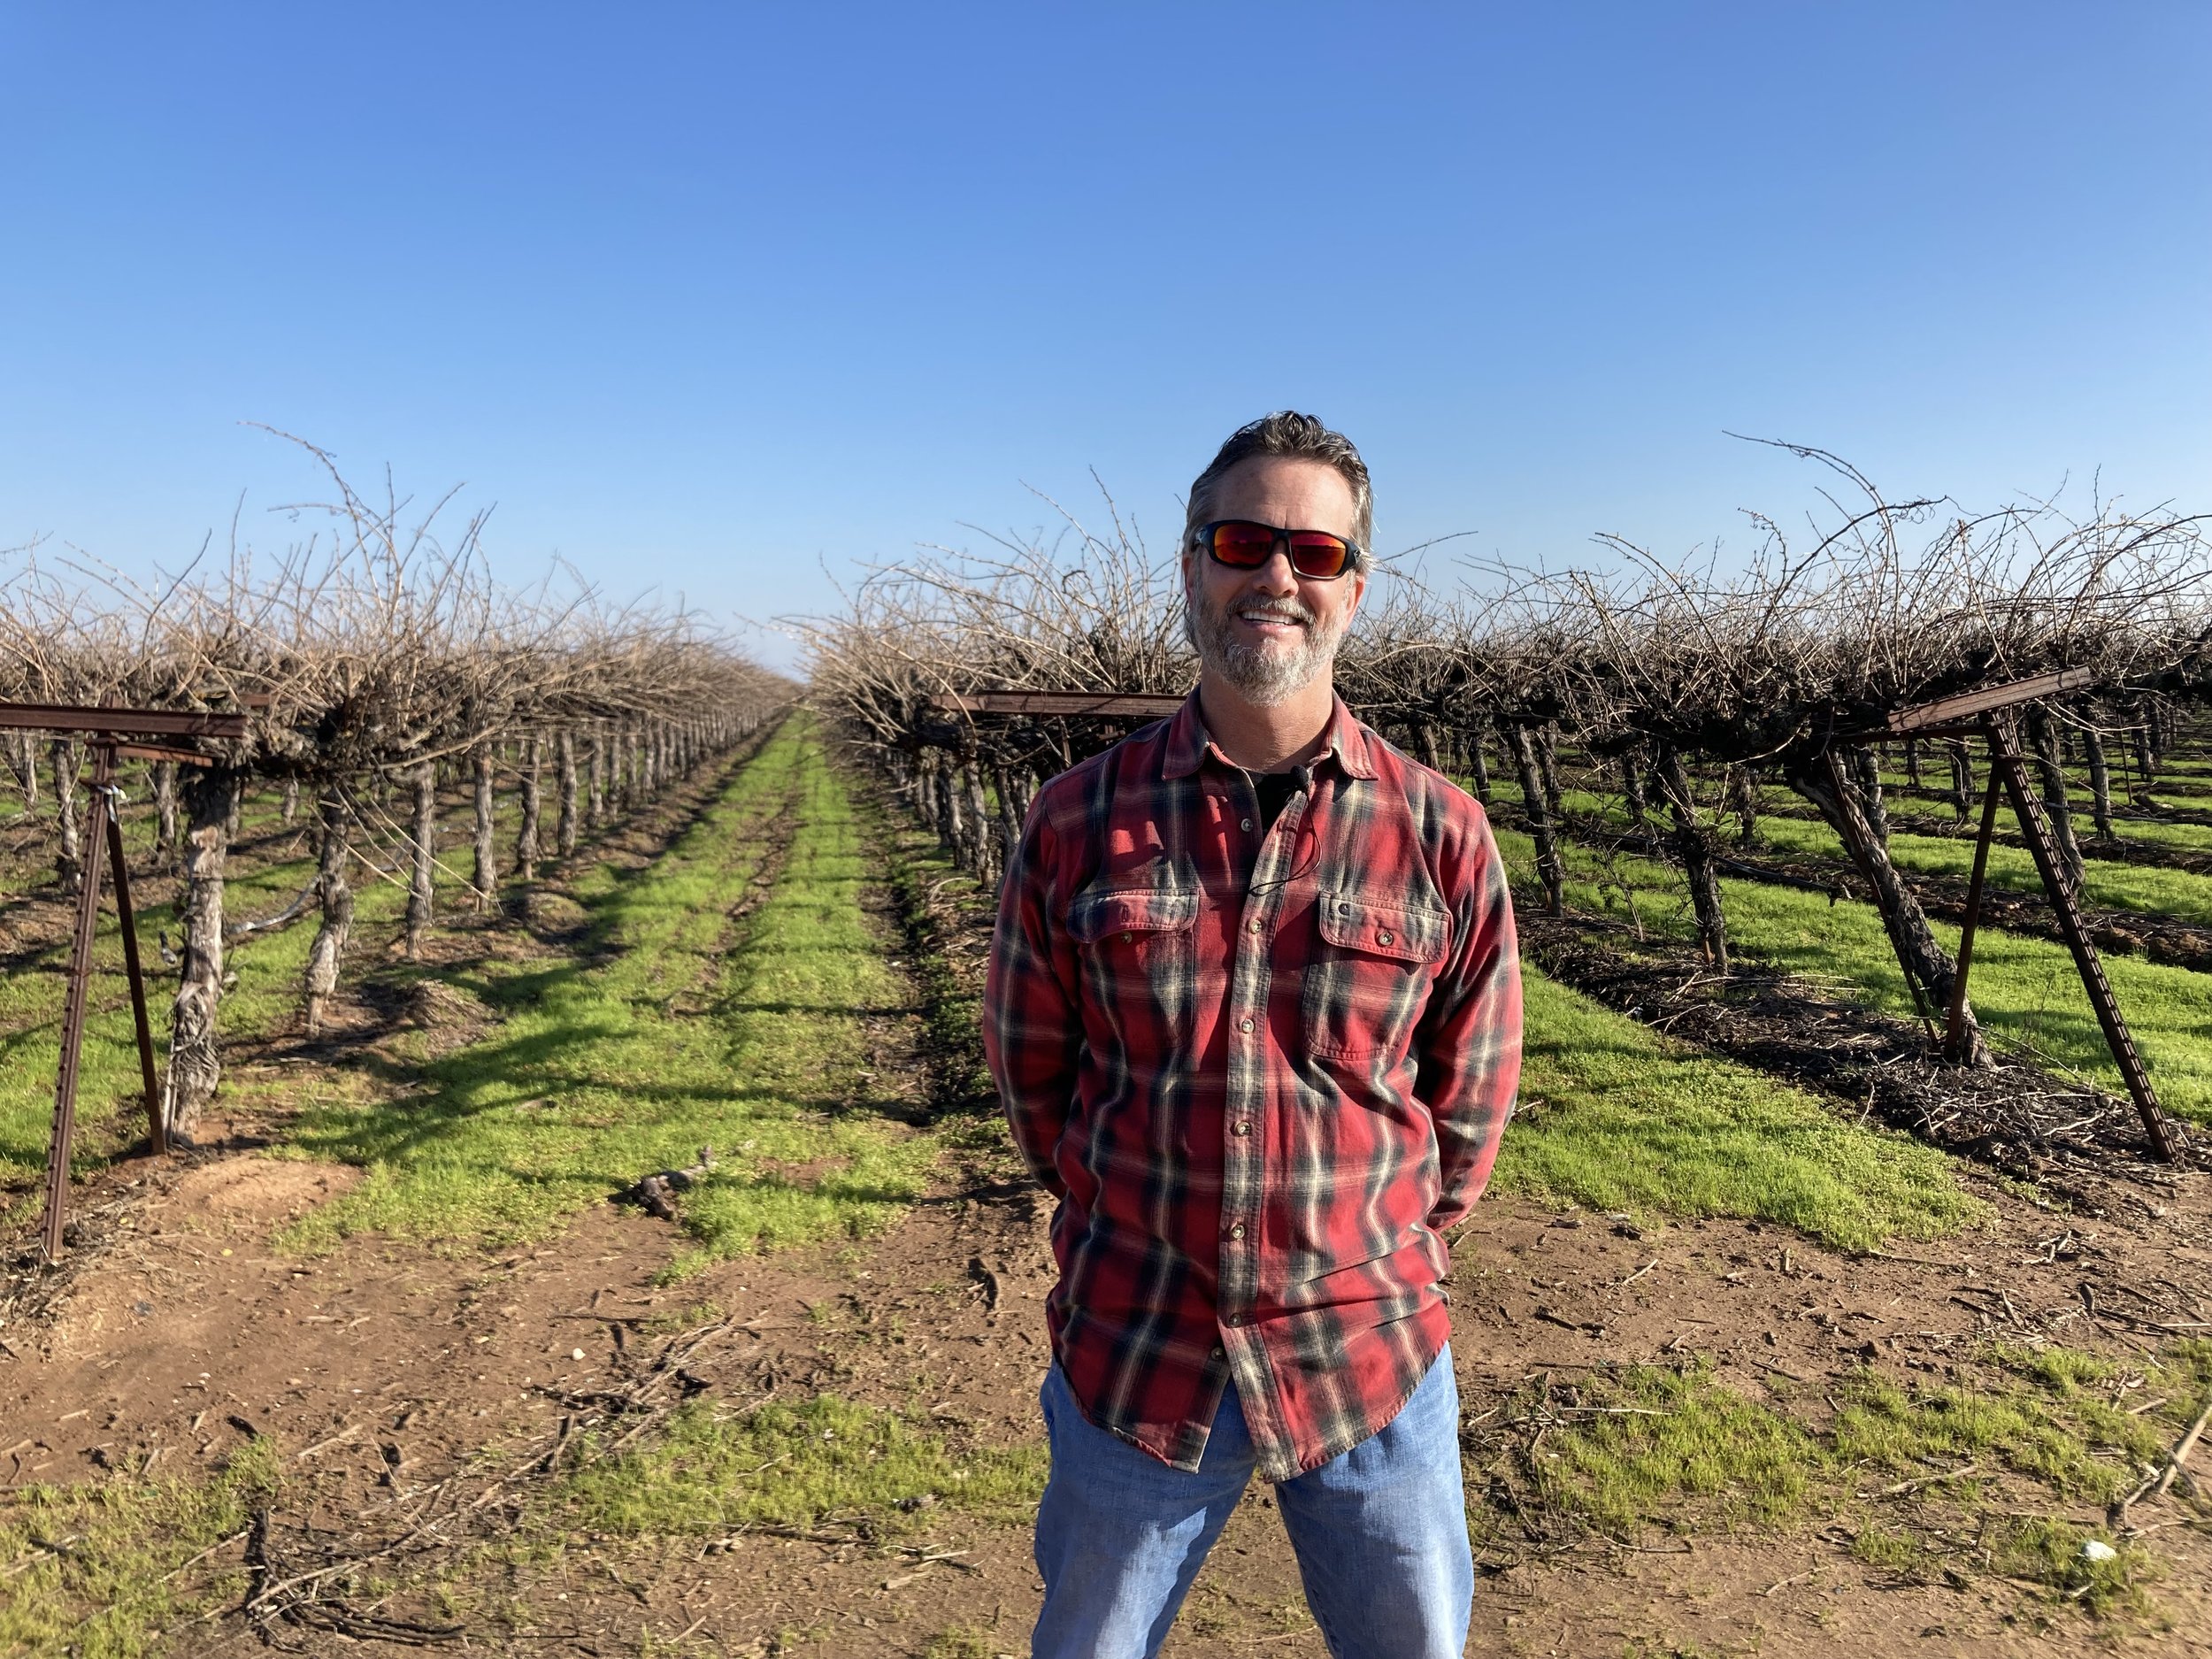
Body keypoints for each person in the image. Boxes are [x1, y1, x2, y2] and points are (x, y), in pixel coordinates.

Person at [983, 411, 1524, 1659]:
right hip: (1139, 1358)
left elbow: (1471, 1103)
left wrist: (1377, 1250)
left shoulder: (1442, 833)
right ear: (1191, 567)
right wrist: (1127, 1215)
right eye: (1244, 540)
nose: (1278, 575)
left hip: (1370, 1359)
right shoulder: (1077, 820)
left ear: (1354, 586)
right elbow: (1036, 1082)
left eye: (1315, 553)